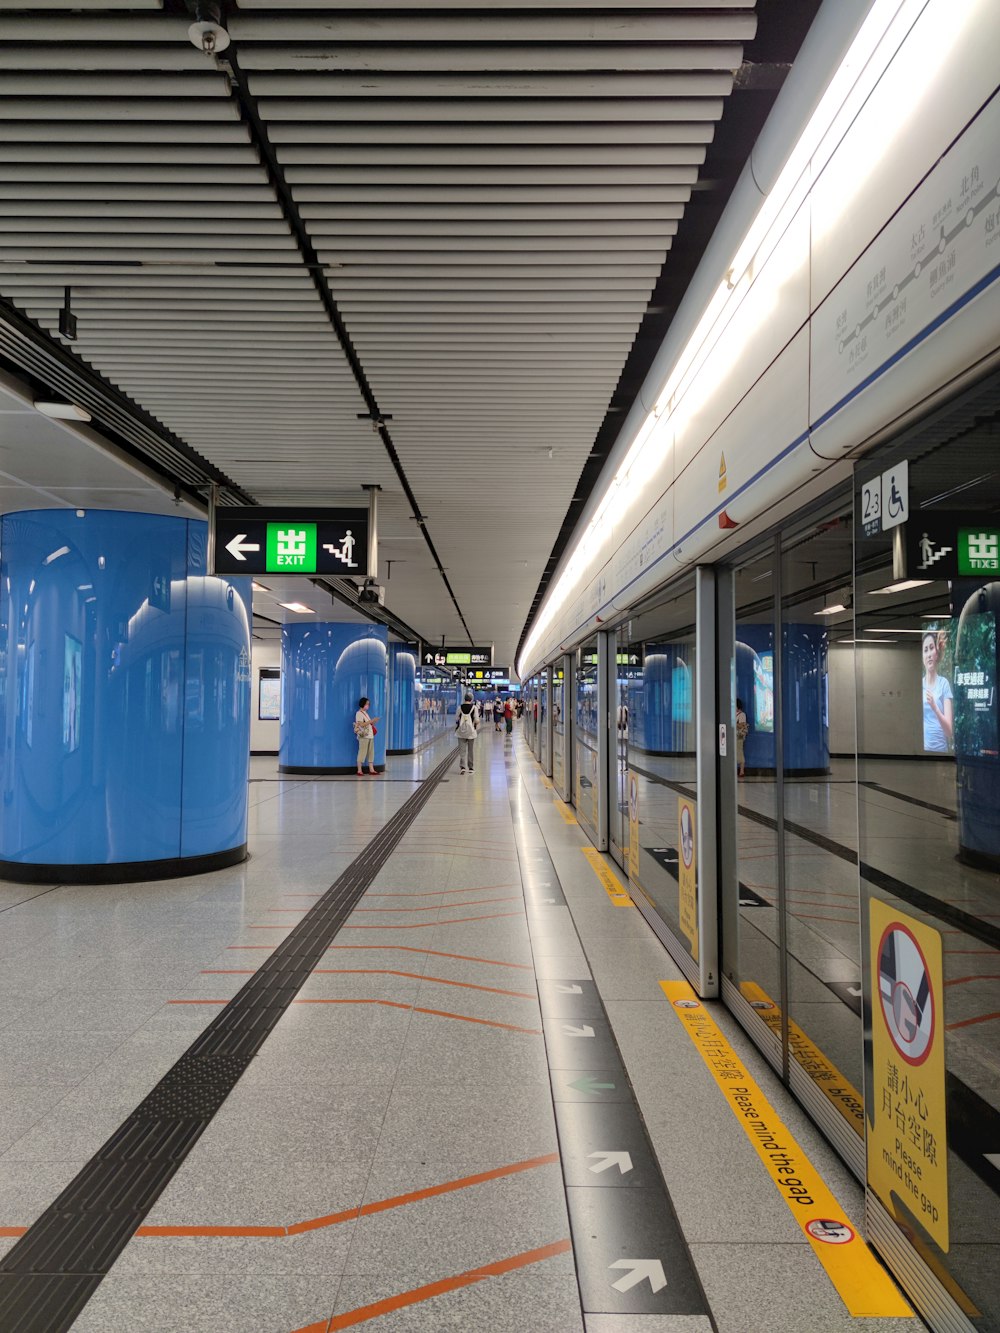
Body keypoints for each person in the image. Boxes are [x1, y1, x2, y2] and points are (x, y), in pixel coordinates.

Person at [922, 631, 954, 752]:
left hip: (940, 752)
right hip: (922, 750)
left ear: (937, 653)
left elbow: (949, 731)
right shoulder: (920, 684)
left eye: (931, 648)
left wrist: (935, 708)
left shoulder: (944, 684)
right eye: (925, 650)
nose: (929, 654)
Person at [353, 696, 379, 776]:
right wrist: (371, 721)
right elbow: (361, 724)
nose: (368, 705)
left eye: (368, 704)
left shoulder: (366, 713)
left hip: (370, 736)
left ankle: (371, 769)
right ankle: (359, 770)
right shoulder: (359, 713)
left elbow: (368, 724)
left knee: (371, 753)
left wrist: (373, 722)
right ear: (363, 704)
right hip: (364, 736)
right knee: (362, 752)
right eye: (367, 704)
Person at [455, 691, 479, 773]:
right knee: (470, 750)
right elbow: (477, 720)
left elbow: (456, 719)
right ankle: (471, 768)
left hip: (461, 732)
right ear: (471, 699)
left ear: (464, 698)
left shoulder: (459, 707)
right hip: (471, 732)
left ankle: (462, 767)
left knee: (462, 750)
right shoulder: (474, 708)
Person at [735, 697, 749, 779]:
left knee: (739, 751)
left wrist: (733, 724)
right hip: (733, 736)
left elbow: (742, 725)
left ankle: (742, 771)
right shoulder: (733, 714)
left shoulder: (742, 714)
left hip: (739, 736)